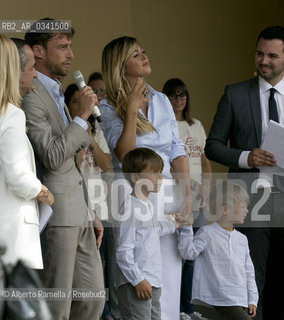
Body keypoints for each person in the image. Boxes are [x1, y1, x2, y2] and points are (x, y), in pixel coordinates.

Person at [99, 36, 192, 320]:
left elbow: (176, 149)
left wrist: (187, 195)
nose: (144, 56)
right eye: (135, 55)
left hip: (166, 194)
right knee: (139, 269)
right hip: (134, 195)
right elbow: (126, 154)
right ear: (120, 65)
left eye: (143, 52)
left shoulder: (163, 100)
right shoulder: (106, 106)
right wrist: (130, 109)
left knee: (168, 276)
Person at [22, 18, 104, 320]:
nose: (70, 53)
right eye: (62, 47)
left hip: (79, 209)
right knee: (57, 306)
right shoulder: (30, 97)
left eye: (70, 46)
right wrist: (81, 118)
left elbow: (73, 162)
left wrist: (90, 209)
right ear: (38, 51)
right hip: (56, 213)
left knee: (93, 300)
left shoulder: (57, 93)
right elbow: (53, 158)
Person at [205, 26, 284, 320]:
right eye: (260, 53)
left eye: (272, 56)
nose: (264, 61)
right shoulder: (235, 94)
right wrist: (245, 156)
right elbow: (212, 146)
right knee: (252, 281)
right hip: (250, 200)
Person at [0, 34, 54, 270]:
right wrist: (43, 192)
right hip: (13, 238)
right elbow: (17, 176)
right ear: (13, 70)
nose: (35, 74)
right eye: (32, 67)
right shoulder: (11, 114)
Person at [162, 78, 212, 317]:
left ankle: (189, 307)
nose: (178, 100)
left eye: (182, 95)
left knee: (194, 255)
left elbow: (203, 160)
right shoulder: (167, 126)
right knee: (178, 253)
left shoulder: (196, 125)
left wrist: (207, 189)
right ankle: (176, 308)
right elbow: (173, 166)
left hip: (199, 199)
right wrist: (193, 188)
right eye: (173, 96)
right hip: (179, 197)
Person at [64, 83, 113, 320]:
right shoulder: (67, 130)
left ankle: (102, 311)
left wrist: (91, 138)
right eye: (74, 101)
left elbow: (106, 164)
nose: (79, 105)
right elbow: (73, 163)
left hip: (98, 206)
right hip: (77, 206)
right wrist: (81, 136)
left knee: (101, 263)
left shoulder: (96, 131)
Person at [178, 181, 258, 320]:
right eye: (243, 207)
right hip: (215, 301)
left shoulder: (242, 239)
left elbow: (249, 272)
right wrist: (186, 227)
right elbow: (188, 252)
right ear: (225, 209)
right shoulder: (207, 233)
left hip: (239, 300)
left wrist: (252, 299)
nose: (247, 210)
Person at [117, 147, 178, 320]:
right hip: (135, 283)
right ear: (135, 178)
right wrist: (137, 280)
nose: (160, 177)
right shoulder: (130, 208)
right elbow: (123, 252)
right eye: (154, 173)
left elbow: (153, 231)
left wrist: (173, 225)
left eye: (160, 172)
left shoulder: (148, 205)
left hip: (153, 280)